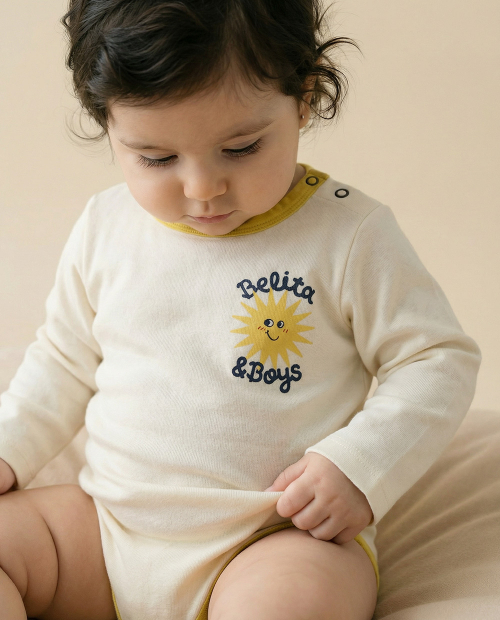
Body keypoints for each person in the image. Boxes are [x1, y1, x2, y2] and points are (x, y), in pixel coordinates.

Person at [0, 1, 482, 619]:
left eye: (242, 147)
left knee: (291, 600)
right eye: (156, 158)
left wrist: (360, 465)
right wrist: (9, 448)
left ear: (304, 98)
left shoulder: (348, 235)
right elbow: (64, 359)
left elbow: (435, 359)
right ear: (107, 120)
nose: (201, 188)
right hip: (106, 528)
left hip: (273, 535)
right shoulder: (105, 225)